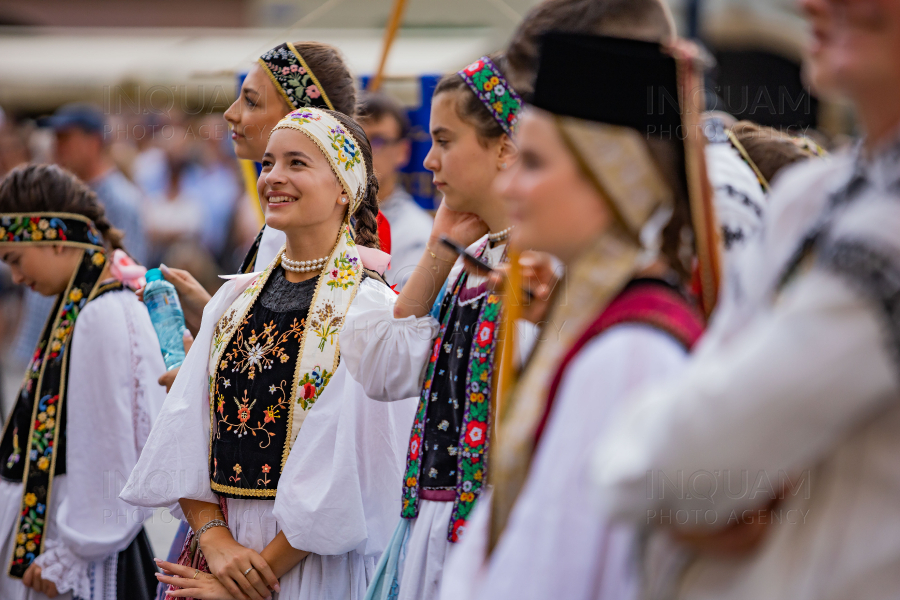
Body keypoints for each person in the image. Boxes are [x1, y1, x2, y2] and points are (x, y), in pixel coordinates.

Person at [591, 1, 900, 599]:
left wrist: (647, 472)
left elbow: (674, 462)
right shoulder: (812, 197)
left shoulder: (882, 228)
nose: (814, 5)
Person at [439, 33, 713, 600]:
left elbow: (554, 571)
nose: (509, 183)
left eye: (534, 162)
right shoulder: (603, 319)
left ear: (613, 176)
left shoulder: (631, 349)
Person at [121, 107, 416, 600]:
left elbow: (359, 470)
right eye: (268, 163)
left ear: (344, 186)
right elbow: (186, 430)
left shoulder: (368, 308)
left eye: (297, 163)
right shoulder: (233, 300)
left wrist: (246, 578)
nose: (273, 177)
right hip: (223, 550)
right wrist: (215, 543)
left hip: (308, 567)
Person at [339, 54, 522, 600]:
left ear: (505, 147)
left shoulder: (542, 270)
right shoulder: (477, 258)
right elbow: (381, 368)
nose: (428, 158)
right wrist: (441, 252)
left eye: (445, 140)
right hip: (430, 530)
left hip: (488, 540)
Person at [0, 164, 167, 600]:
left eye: (15, 259)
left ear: (55, 239)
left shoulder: (97, 314)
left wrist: (72, 553)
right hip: (76, 536)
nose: (16, 277)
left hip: (79, 552)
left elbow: (113, 451)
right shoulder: (94, 303)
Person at [12, 103, 149, 373]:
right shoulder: (56, 192)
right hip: (38, 339)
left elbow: (129, 275)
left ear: (94, 141)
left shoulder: (122, 199)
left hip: (83, 347)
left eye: (66, 138)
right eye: (55, 138)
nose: (57, 146)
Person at [357, 91, 433, 290]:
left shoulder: (417, 233)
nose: (364, 151)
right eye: (355, 139)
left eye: (377, 140)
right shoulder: (322, 215)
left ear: (403, 151)